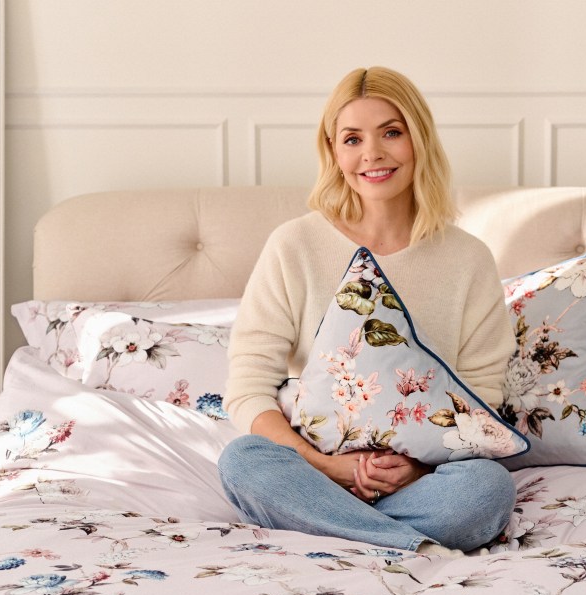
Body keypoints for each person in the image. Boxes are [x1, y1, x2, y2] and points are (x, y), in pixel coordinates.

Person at [218, 66, 516, 555]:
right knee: (243, 460)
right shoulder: (294, 245)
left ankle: (344, 531)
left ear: (419, 140)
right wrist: (327, 466)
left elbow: (480, 392)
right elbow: (249, 388)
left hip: (422, 485)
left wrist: (417, 468)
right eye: (352, 139)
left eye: (391, 133)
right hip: (309, 472)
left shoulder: (468, 258)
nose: (372, 154)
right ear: (333, 152)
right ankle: (415, 547)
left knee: (488, 489)